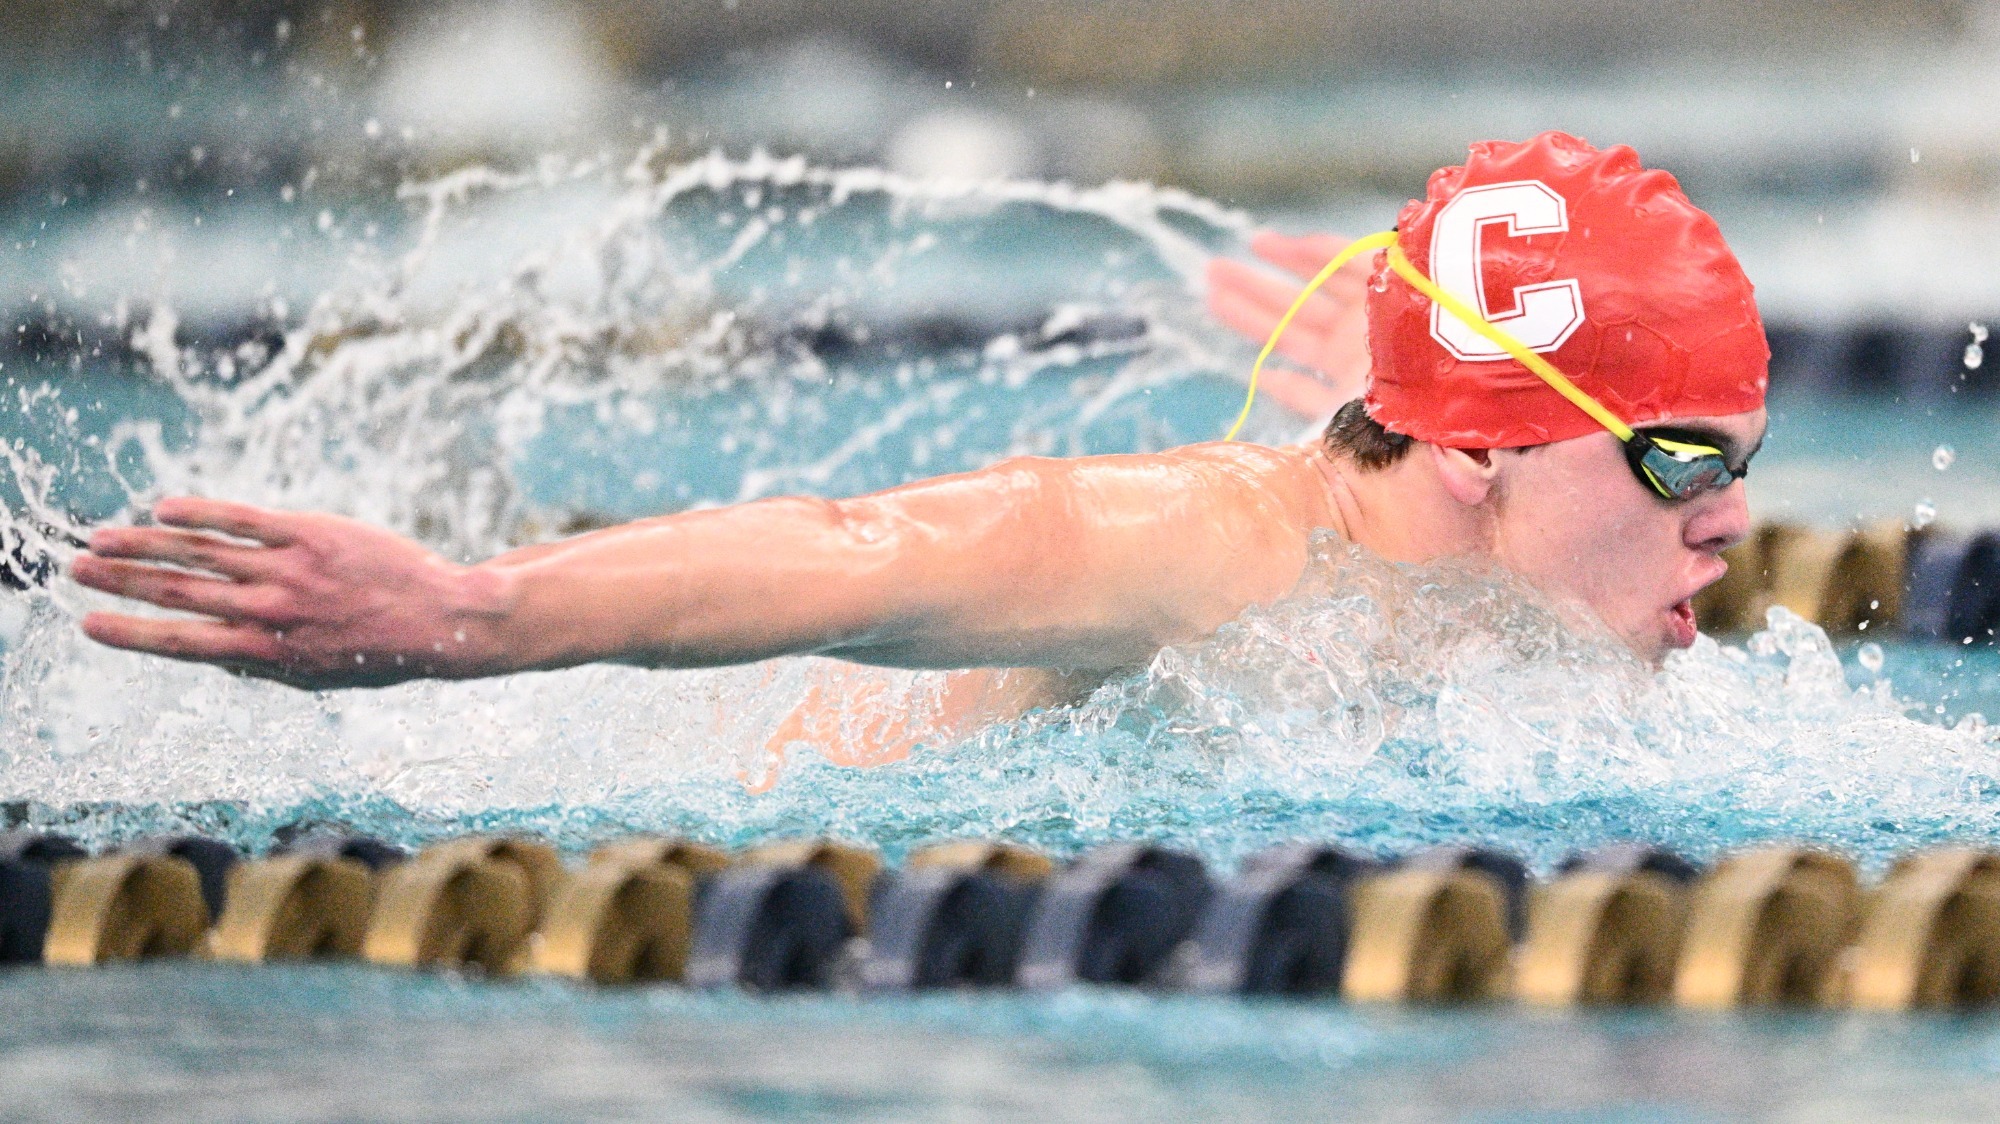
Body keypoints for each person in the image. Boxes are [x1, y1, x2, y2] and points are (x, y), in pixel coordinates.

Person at [70, 132, 1767, 714]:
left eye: (1738, 465)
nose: (1732, 522)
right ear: (1479, 449)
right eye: (1681, 457)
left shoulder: (1495, 556)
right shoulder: (1200, 555)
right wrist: (465, 611)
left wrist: (1405, 364)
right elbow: (862, 551)